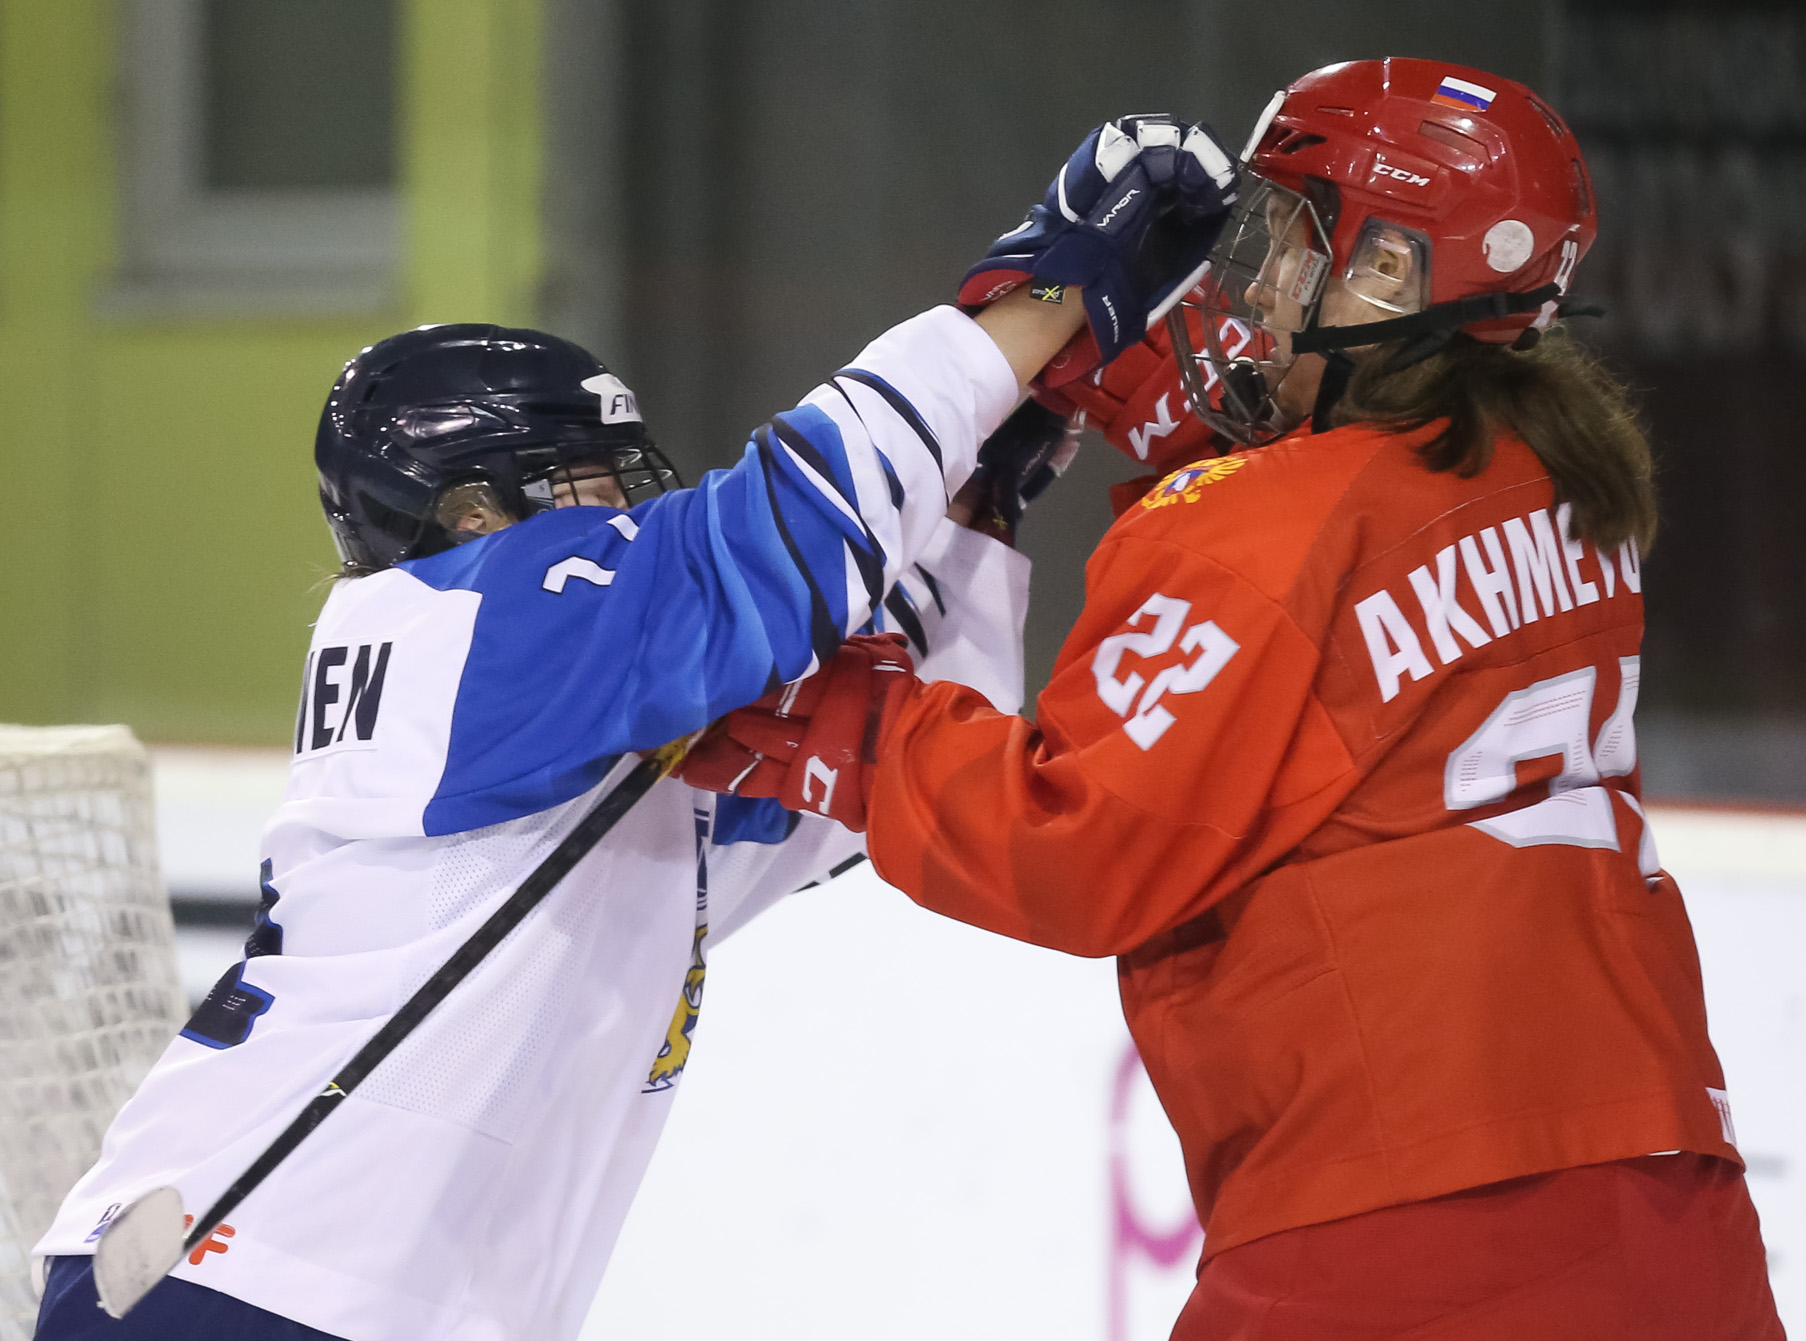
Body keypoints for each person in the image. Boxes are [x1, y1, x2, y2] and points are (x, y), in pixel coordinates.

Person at [31, 117, 1239, 1341]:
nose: (618, 524)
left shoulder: (566, 729)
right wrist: (1032, 299)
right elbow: (772, 545)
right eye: (585, 494)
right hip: (240, 1279)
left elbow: (882, 770)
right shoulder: (446, 629)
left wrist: (981, 493)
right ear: (464, 512)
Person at [679, 60, 1786, 1340]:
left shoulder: (1256, 530)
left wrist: (838, 717)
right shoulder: (1568, 491)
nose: (1258, 284)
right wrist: (1157, 413)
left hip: (1407, 1226)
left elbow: (1073, 837)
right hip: (1670, 1215)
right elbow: (1360, 548)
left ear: (1389, 279)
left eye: (1297, 246)